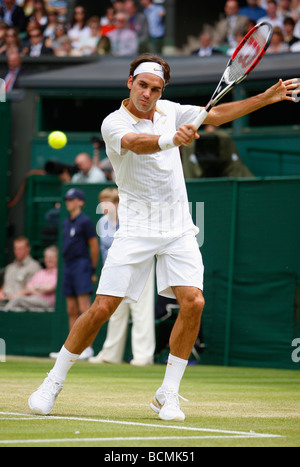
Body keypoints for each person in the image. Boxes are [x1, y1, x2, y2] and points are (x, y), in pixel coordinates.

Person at [28, 54, 300, 421]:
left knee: (194, 303)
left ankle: (167, 393)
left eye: (155, 89)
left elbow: (215, 115)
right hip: (137, 227)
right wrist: (172, 138)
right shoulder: (113, 123)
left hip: (178, 226)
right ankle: (52, 381)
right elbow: (138, 143)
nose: (148, 94)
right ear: (130, 82)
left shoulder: (170, 109)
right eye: (142, 85)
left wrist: (264, 98)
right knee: (103, 308)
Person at [89, 187, 155, 366]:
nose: (104, 205)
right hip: (116, 270)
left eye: (108, 202)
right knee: (115, 312)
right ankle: (111, 354)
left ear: (118, 203)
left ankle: (143, 356)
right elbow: (104, 251)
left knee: (141, 312)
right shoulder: (103, 222)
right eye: (102, 202)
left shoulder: (132, 220)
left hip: (140, 268)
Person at [49, 188, 99, 361]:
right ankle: (71, 351)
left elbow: (94, 246)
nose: (68, 202)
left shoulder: (85, 222)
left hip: (81, 265)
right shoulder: (65, 222)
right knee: (71, 309)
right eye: (67, 199)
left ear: (80, 202)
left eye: (72, 199)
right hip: (68, 266)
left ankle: (88, 348)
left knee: (84, 308)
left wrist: (91, 269)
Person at [1, 245, 58, 312]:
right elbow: (28, 288)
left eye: (51, 257)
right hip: (32, 300)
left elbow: (49, 288)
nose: (49, 260)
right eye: (47, 257)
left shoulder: (58, 273)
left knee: (17, 300)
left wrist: (35, 287)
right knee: (17, 306)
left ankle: (3, 315)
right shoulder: (40, 273)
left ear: (57, 258)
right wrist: (40, 289)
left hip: (47, 302)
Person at [0, 236, 41, 305]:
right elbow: (5, 285)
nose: (17, 251)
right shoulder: (10, 267)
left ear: (28, 249)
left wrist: (11, 297)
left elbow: (31, 290)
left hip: (20, 304)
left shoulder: (34, 267)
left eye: (20, 249)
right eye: (16, 248)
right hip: (3, 302)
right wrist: (1, 293)